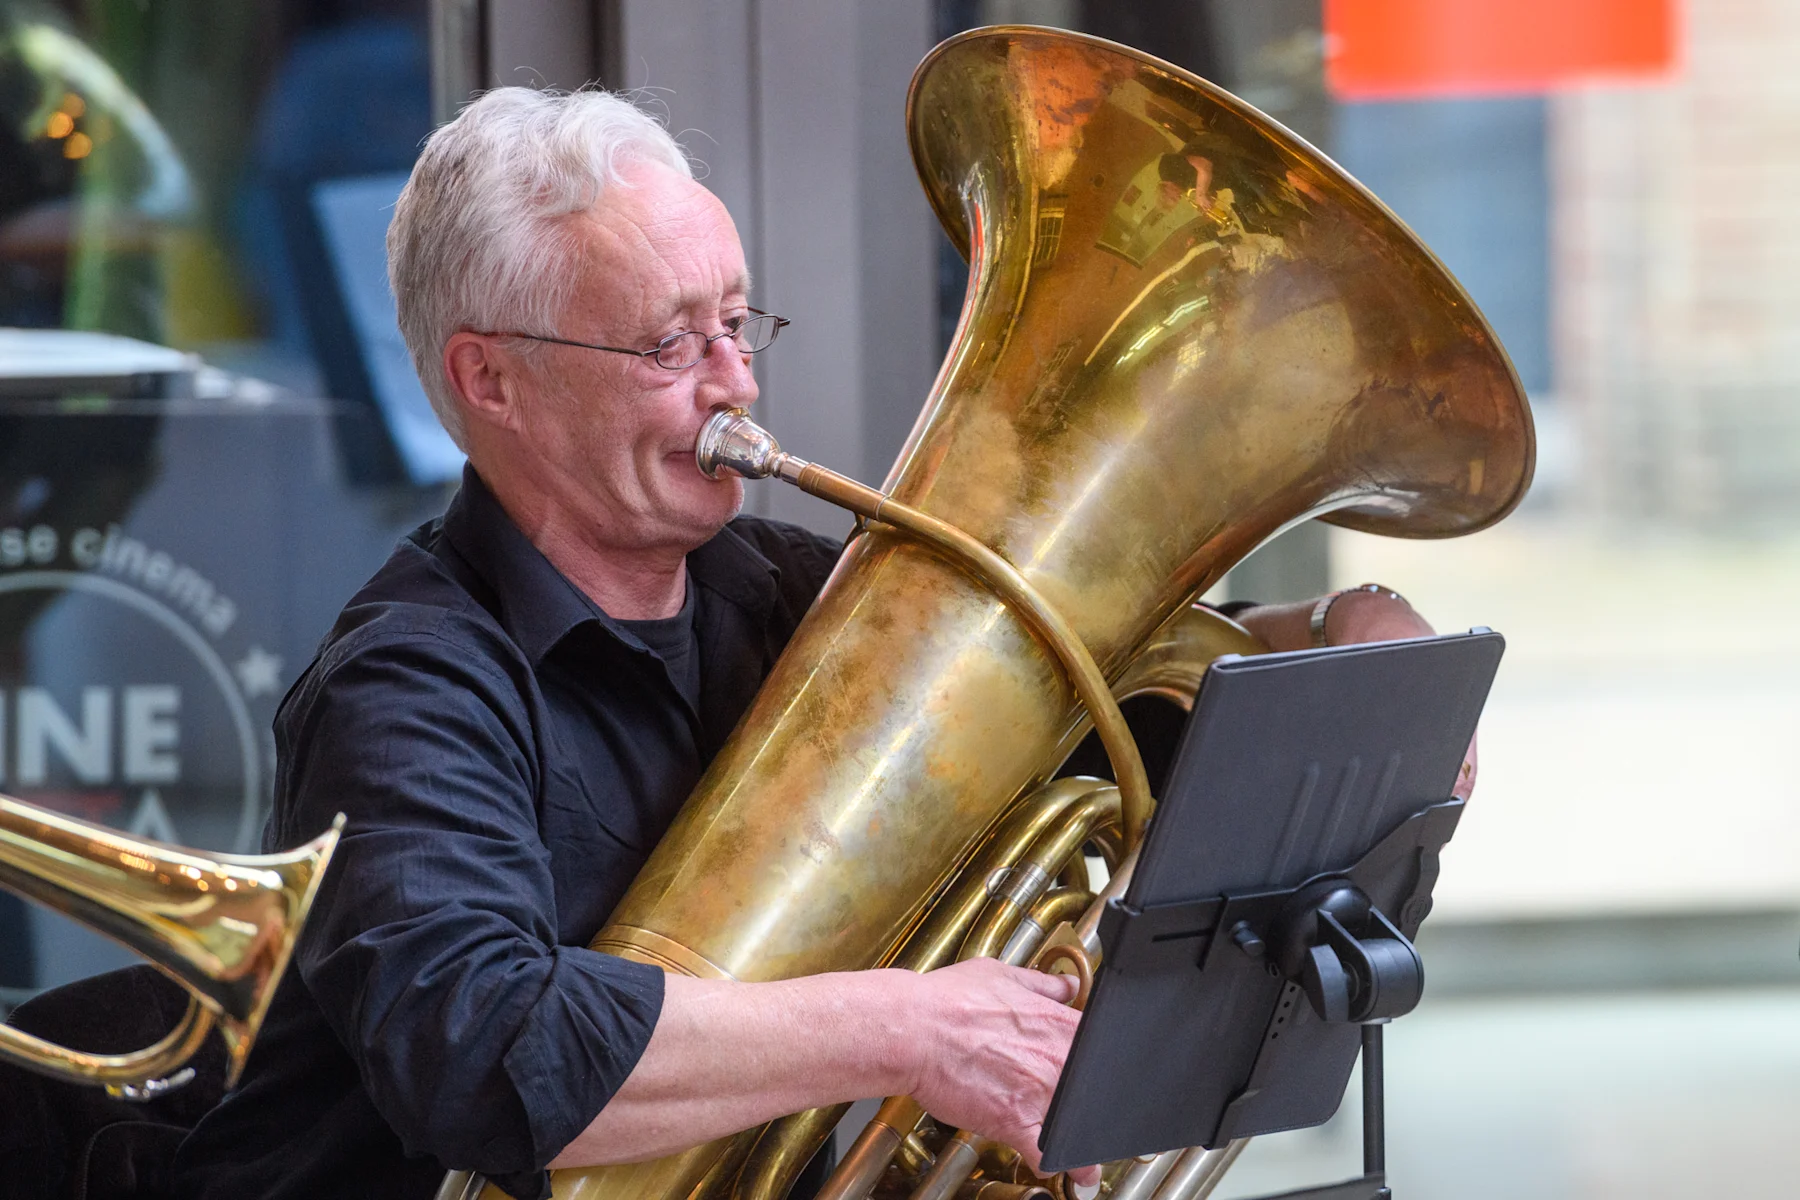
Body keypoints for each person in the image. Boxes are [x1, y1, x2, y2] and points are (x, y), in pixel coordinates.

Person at [172, 88, 1458, 1200]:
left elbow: (1123, 724)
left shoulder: (791, 596)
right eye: (669, 343)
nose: (733, 379)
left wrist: (1335, 655)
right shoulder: (408, 688)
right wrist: (903, 1032)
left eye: (738, 323)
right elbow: (482, 1045)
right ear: (490, 380)